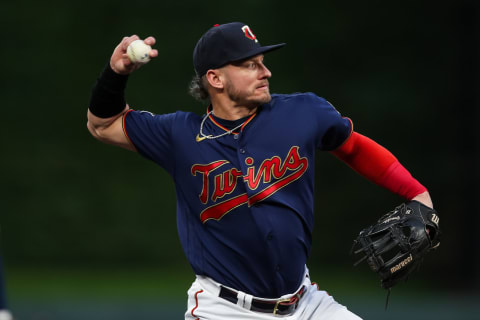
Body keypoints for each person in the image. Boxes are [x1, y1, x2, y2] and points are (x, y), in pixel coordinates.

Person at [87, 22, 433, 319]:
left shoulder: (302, 112)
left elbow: (353, 146)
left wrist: (416, 193)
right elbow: (103, 125)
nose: (265, 72)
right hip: (224, 309)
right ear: (215, 78)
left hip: (306, 304)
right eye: (250, 65)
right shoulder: (178, 135)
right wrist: (116, 74)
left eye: (263, 62)